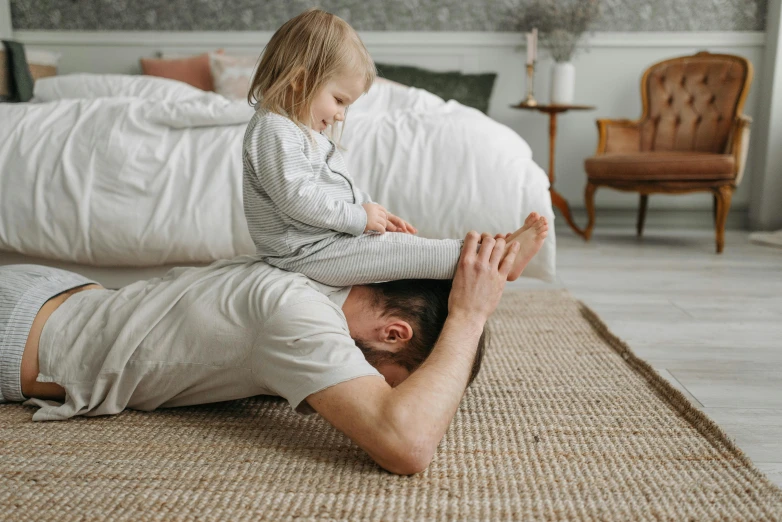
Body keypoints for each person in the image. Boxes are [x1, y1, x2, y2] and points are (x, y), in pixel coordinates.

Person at [0, 228, 547, 475]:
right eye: (390, 379)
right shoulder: (296, 316)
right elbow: (406, 445)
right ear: (393, 334)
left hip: (53, 292)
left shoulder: (316, 265)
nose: (375, 388)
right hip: (13, 332)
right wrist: (469, 316)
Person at [243, 8, 545, 286]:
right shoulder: (273, 129)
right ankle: (492, 260)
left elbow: (335, 191)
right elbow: (298, 199)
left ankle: (488, 253)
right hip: (301, 253)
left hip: (323, 242)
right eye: (339, 101)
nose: (340, 115)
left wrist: (377, 217)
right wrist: (360, 218)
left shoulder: (303, 130)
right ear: (299, 80)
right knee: (402, 254)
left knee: (405, 246)